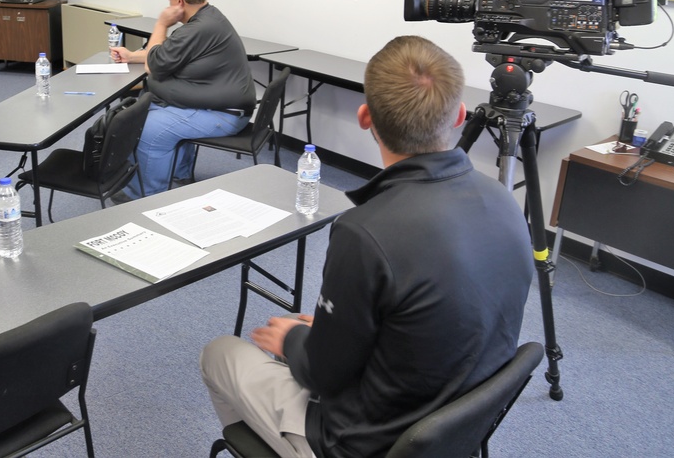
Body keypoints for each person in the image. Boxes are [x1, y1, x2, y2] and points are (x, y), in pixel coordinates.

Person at [200, 35, 534, 458]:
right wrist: (326, 334)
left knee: (220, 353)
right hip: (451, 426)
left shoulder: (365, 232)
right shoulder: (505, 199)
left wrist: (294, 342)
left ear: (364, 117)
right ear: (459, 116)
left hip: (362, 443)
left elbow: (323, 375)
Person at [109, 0, 256, 199]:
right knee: (150, 111)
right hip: (220, 107)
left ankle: (143, 195)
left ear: (179, 1)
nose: (168, 6)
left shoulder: (198, 28)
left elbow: (155, 65)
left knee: (149, 130)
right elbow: (169, 55)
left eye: (169, 0)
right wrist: (131, 56)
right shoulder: (209, 17)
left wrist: (161, 24)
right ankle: (179, 177)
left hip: (225, 115)